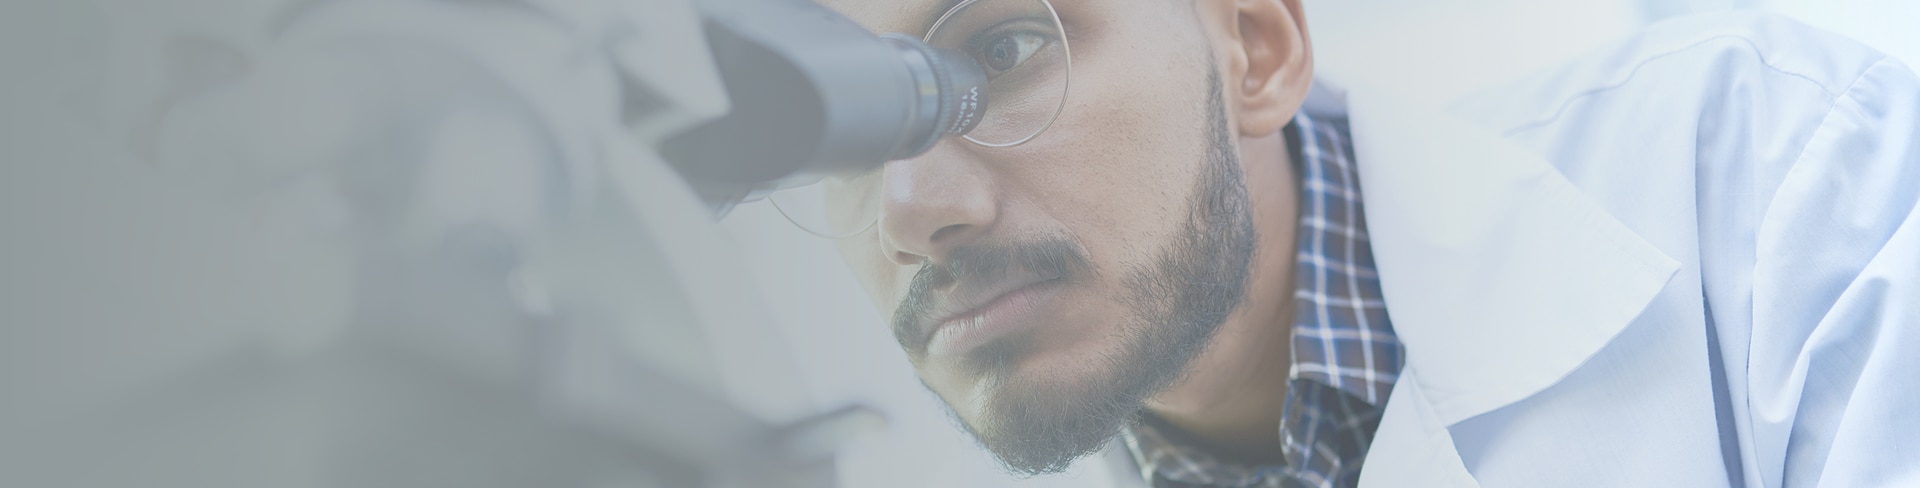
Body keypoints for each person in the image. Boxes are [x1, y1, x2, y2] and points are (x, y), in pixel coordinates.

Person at [787, 0, 1920, 486]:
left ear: (1257, 49)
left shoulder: (1772, 166)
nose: (909, 209)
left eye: (1001, 49)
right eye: (840, 127)